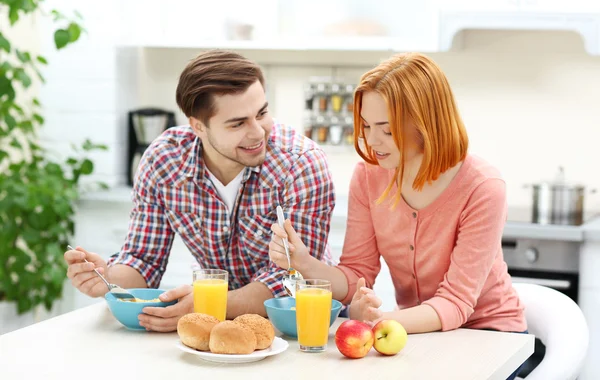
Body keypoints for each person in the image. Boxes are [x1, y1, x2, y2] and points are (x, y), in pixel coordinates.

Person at [269, 52, 526, 379]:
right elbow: (356, 275)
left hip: (491, 336)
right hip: (419, 334)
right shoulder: (368, 175)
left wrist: (376, 321)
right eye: (365, 126)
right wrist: (303, 262)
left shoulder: (483, 187)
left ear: (427, 124)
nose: (371, 141)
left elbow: (456, 303)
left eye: (386, 130)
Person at [64, 50, 336, 332]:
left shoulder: (301, 164)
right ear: (198, 126)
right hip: (212, 330)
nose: (258, 132)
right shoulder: (165, 161)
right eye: (238, 123)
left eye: (262, 113)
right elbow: (143, 260)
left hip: (296, 327)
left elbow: (292, 278)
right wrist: (106, 278)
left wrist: (208, 304)